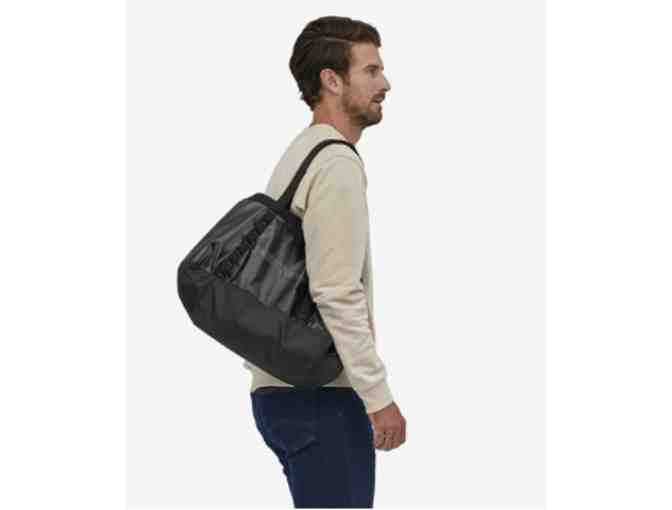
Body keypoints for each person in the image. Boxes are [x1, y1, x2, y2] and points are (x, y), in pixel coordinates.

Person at [244, 15, 407, 508]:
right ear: (332, 81)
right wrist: (377, 396)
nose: (385, 84)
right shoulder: (335, 163)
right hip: (322, 397)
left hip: (282, 391)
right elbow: (335, 290)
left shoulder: (302, 152)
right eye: (371, 71)